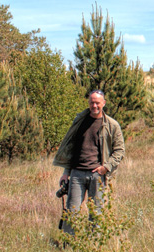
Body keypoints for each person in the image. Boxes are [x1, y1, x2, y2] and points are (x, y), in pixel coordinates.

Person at [53, 89, 125, 234]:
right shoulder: (79, 121)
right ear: (88, 102)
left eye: (97, 103)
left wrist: (106, 168)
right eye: (92, 102)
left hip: (97, 176)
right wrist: (66, 172)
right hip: (76, 173)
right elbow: (71, 149)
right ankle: (68, 244)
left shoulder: (112, 125)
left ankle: (95, 246)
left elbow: (120, 150)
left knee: (96, 212)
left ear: (103, 103)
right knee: (71, 211)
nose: (94, 106)